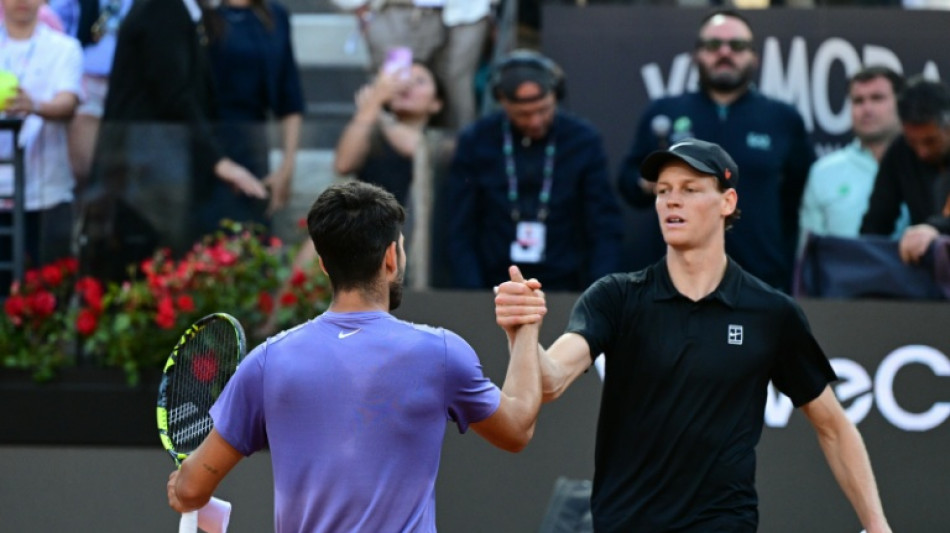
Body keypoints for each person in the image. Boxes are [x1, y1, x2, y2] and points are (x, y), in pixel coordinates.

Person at [495, 139, 892, 532]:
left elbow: (834, 426)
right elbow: (550, 382)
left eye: (690, 189)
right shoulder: (616, 297)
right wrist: (523, 332)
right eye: (663, 191)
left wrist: (877, 527)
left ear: (728, 201)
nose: (671, 201)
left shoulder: (770, 312)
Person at [166, 181, 544, 531]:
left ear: (324, 265)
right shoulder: (440, 353)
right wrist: (524, 328)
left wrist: (183, 484)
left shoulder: (267, 362)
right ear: (391, 257)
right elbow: (517, 429)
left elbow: (191, 492)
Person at [616, 9, 814, 293]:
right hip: (674, 280)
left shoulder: (783, 118)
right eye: (713, 45)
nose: (724, 52)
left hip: (760, 277)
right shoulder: (665, 112)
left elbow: (797, 196)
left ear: (754, 56)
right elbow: (628, 183)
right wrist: (650, 184)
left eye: (737, 46)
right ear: (696, 55)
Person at [82, 0, 267, 268]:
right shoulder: (162, 8)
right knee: (151, 261)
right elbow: (174, 95)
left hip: (159, 162)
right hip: (144, 168)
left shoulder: (182, 10)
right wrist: (218, 161)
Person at [446, 50, 623, 291]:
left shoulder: (583, 140)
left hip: (566, 284)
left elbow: (604, 226)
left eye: (544, 110)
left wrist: (598, 295)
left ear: (556, 96)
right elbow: (459, 226)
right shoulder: (476, 141)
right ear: (502, 102)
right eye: (523, 114)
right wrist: (472, 294)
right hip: (493, 285)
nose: (535, 121)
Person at [0, 0, 82, 291]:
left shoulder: (64, 47)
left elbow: (68, 102)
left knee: (48, 296)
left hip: (47, 192)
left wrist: (32, 105)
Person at [202, 0, 303, 234]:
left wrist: (287, 167)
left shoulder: (274, 15)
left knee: (253, 238)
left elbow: (290, 97)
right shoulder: (204, 14)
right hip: (207, 144)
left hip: (254, 145)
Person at [330, 0, 492, 131]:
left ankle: (459, 166)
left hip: (470, 12)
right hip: (398, 10)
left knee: (459, 102)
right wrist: (357, 7)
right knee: (392, 96)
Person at [799, 66, 908, 249]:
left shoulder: (925, 164)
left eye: (877, 98)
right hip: (841, 277)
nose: (867, 109)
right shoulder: (824, 172)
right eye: (858, 101)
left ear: (901, 102)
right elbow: (808, 255)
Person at [861, 75, 950, 265]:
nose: (922, 152)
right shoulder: (900, 151)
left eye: (930, 141)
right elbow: (875, 224)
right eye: (913, 142)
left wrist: (935, 229)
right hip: (927, 277)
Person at [48, 0, 134, 192]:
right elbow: (56, 29)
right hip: (87, 78)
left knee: (128, 166)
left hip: (131, 83)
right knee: (84, 165)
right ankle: (83, 214)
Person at [334, 60, 445, 207]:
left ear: (436, 103)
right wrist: (372, 106)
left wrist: (375, 107)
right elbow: (343, 165)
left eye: (420, 81)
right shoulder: (372, 136)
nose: (407, 85)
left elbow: (420, 148)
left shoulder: (445, 141)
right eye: (401, 80)